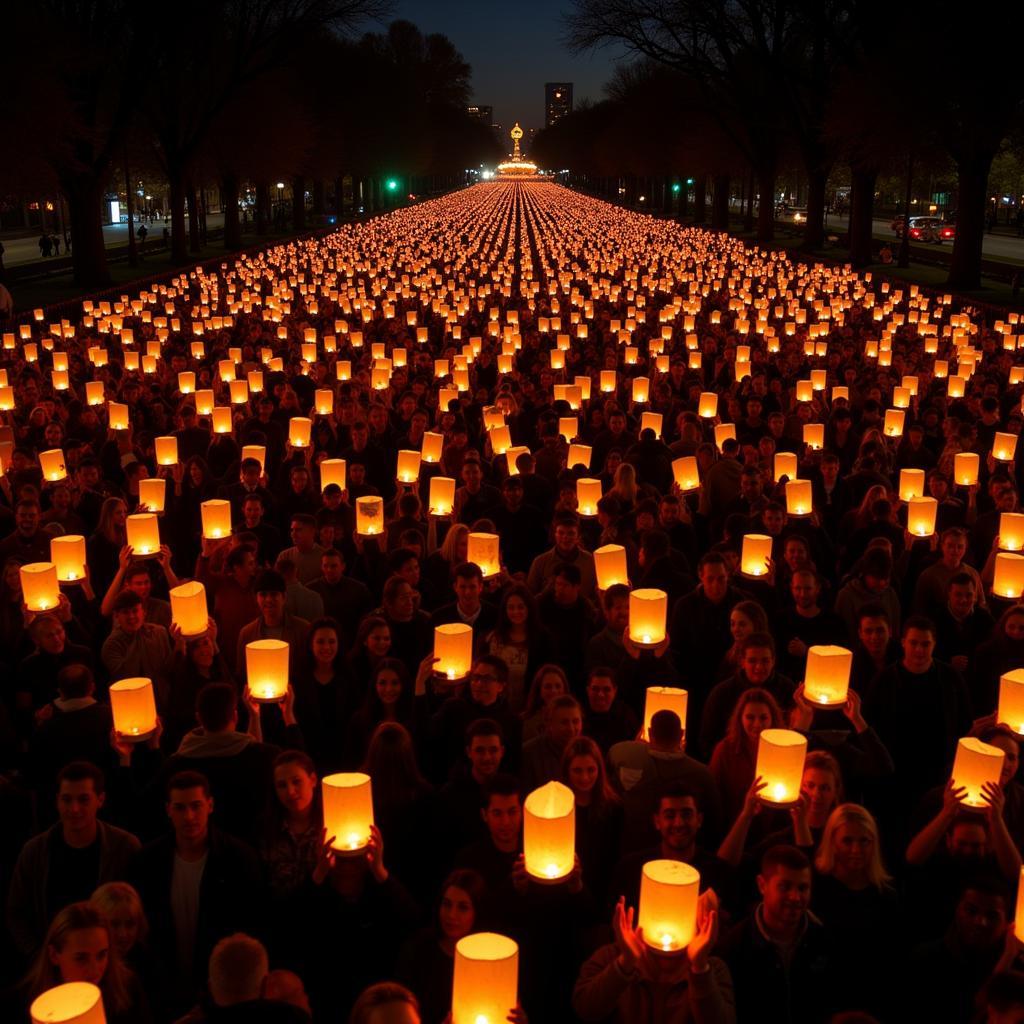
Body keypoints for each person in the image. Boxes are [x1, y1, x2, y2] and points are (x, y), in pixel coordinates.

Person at [129, 771, 264, 1013]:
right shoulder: (147, 862)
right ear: (168, 810)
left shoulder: (239, 860)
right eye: (180, 808)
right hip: (162, 989)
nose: (189, 816)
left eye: (196, 806)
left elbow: (252, 924)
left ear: (210, 805)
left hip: (221, 992)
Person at [8, 762, 141, 957]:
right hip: (53, 963)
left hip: (110, 963)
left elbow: (139, 913)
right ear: (57, 801)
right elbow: (17, 913)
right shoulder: (35, 852)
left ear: (100, 800)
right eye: (67, 800)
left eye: (83, 799)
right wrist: (40, 957)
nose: (74, 808)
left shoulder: (125, 848)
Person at [572, 891, 734, 1023]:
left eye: (679, 909)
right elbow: (585, 1009)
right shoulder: (611, 956)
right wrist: (625, 963)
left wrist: (699, 968)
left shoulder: (712, 969)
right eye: (663, 908)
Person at [719, 845, 836, 1023]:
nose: (795, 897)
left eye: (803, 888)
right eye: (785, 887)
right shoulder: (734, 947)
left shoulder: (822, 939)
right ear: (762, 885)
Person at [22, 901, 152, 1024]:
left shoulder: (127, 989)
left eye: (102, 955)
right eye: (81, 958)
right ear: (54, 955)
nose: (95, 970)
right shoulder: (30, 1005)